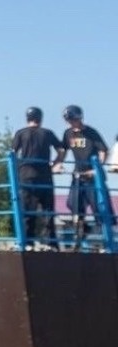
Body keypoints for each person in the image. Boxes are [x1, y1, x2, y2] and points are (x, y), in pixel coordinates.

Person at [52, 105, 108, 246]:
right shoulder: (68, 133)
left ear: (79, 118)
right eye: (68, 120)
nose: (71, 123)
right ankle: (83, 229)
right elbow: (63, 151)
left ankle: (105, 241)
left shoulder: (91, 133)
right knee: (72, 203)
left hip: (92, 178)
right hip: (78, 176)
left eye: (73, 119)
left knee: (98, 208)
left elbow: (103, 151)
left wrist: (97, 168)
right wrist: (57, 164)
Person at [11, 107, 64, 246]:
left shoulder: (20, 133)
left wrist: (16, 168)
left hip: (26, 175)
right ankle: (51, 243)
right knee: (48, 210)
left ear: (27, 118)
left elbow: (12, 153)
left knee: (28, 210)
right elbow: (61, 150)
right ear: (40, 118)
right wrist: (56, 163)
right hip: (45, 174)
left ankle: (27, 242)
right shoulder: (47, 133)